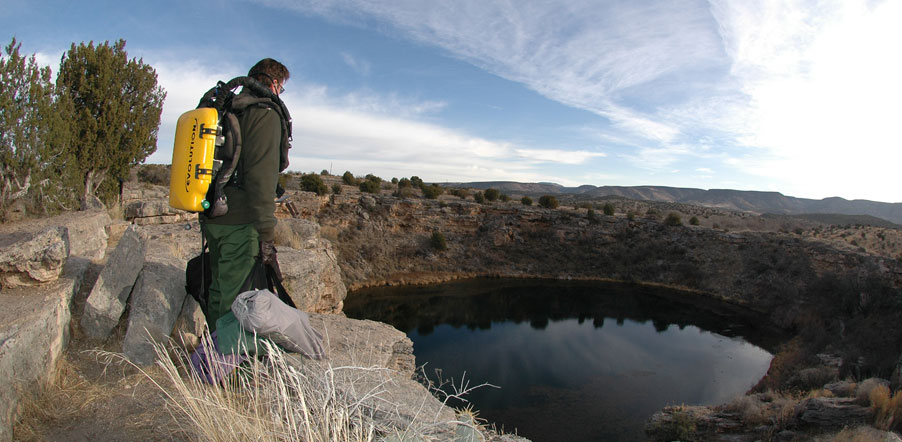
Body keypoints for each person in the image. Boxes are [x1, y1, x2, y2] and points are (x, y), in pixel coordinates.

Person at [200, 58, 290, 332]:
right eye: (282, 89)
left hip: (213, 217)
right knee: (235, 303)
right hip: (241, 225)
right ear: (274, 83)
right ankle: (227, 370)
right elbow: (261, 181)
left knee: (219, 290)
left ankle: (213, 355)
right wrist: (266, 235)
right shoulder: (264, 114)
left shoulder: (227, 109)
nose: (280, 94)